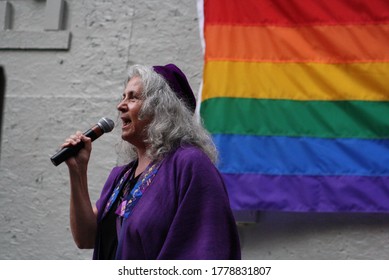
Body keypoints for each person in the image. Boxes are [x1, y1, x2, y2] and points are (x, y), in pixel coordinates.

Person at [62, 63, 241, 259]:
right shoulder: (121, 176)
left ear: (161, 108)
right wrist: (77, 171)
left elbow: (208, 249)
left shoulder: (189, 164)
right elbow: (86, 238)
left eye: (133, 97)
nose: (120, 105)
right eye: (123, 97)